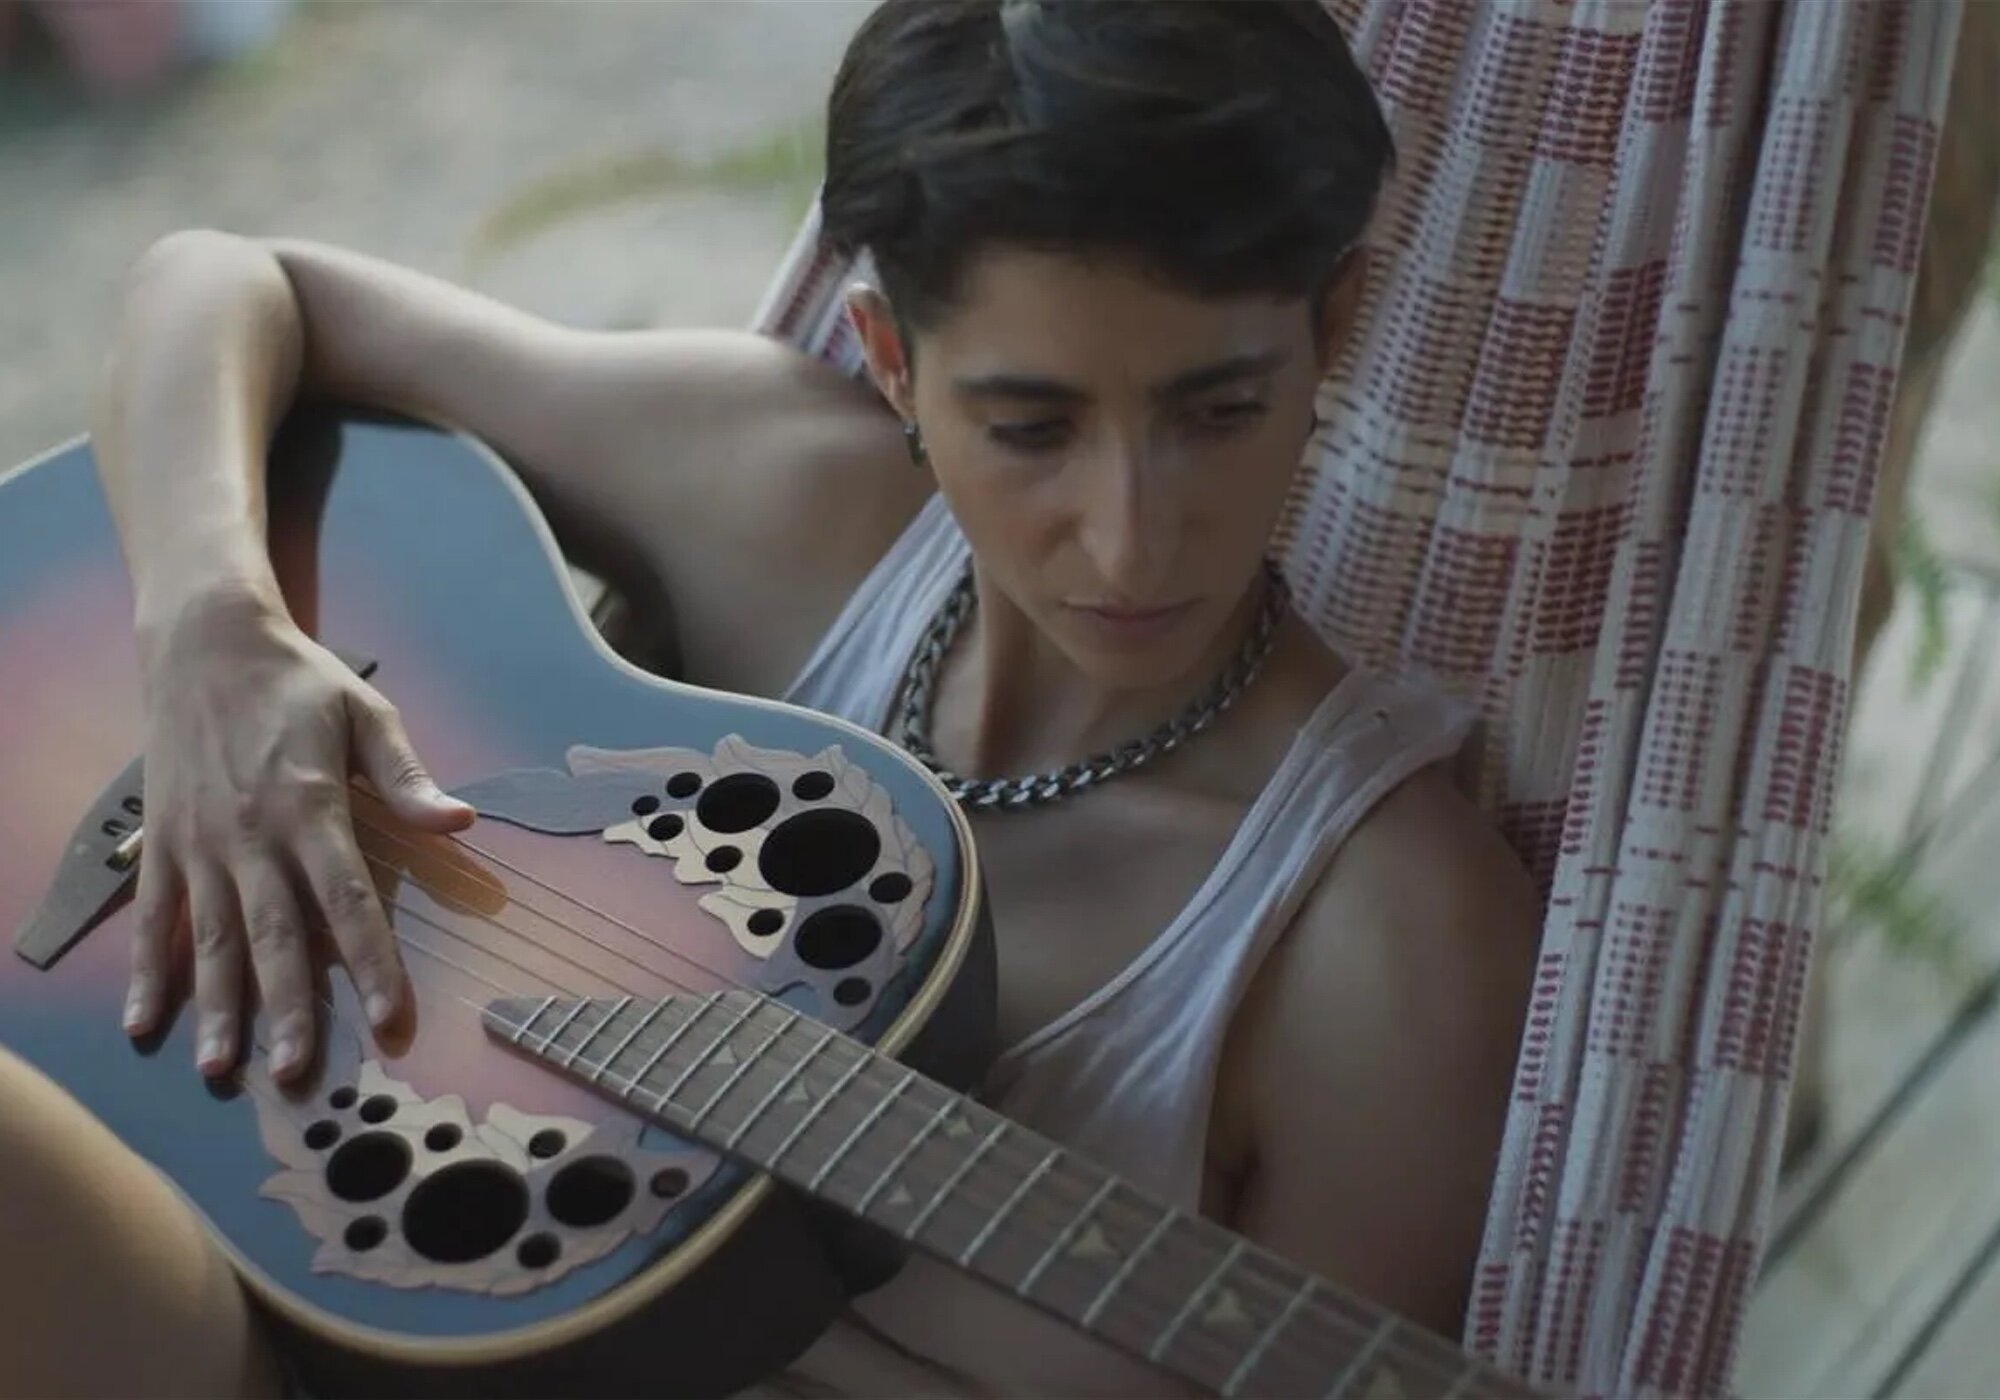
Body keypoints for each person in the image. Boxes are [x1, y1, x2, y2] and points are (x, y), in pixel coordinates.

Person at [0, 2, 1539, 1395]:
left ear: (1334, 327)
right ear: (887, 359)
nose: (1132, 538)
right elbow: (223, 282)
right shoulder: (794, 507)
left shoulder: (1387, 935)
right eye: (1030, 426)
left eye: (1219, 410)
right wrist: (218, 627)